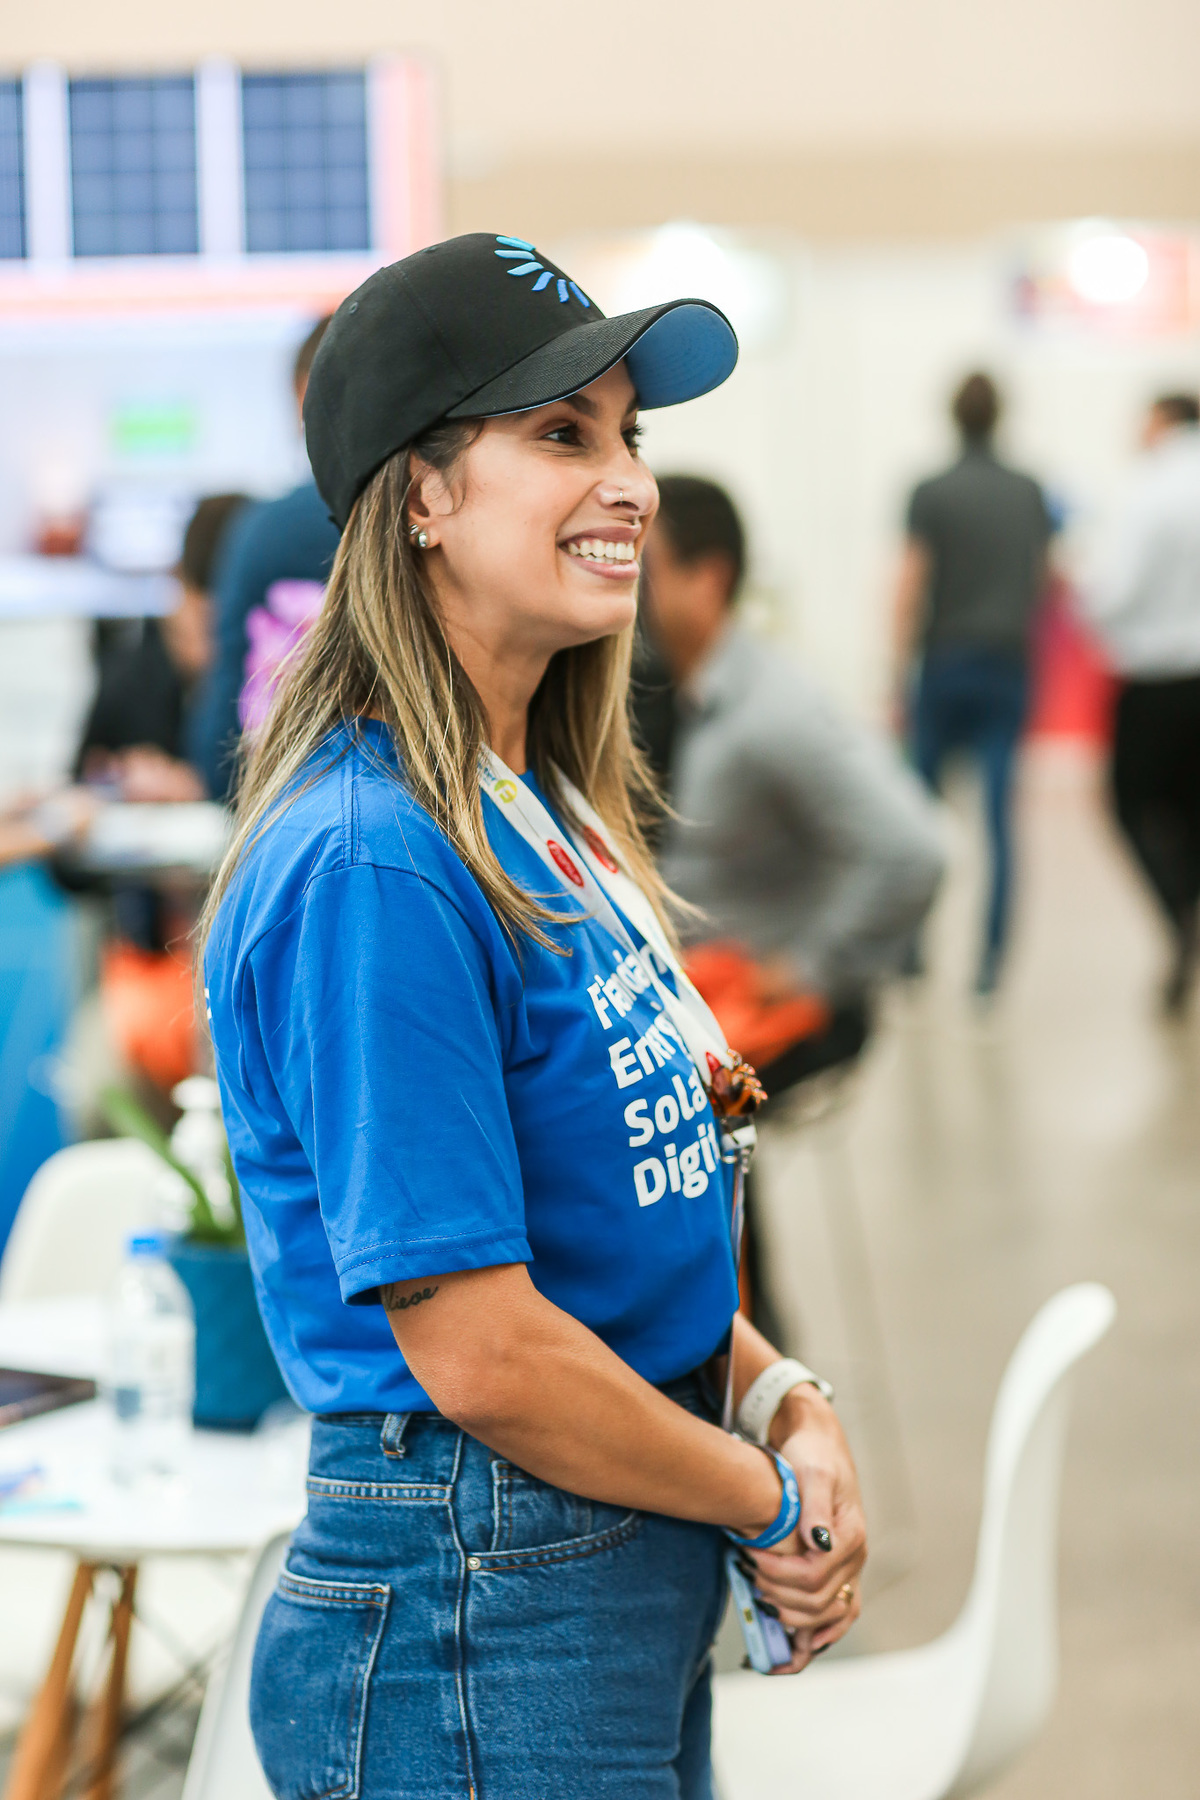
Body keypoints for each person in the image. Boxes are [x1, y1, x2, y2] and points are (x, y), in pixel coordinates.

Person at [201, 234, 866, 1800]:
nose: (628, 480)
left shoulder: (531, 811)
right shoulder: (378, 863)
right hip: (476, 1605)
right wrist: (762, 1497)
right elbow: (484, 1349)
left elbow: (613, 1212)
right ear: (420, 496)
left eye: (630, 434)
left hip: (592, 1567)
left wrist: (780, 1393)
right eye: (562, 433)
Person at [648, 474, 946, 1086]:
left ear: (707, 581)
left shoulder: (772, 710)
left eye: (643, 568)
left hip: (761, 1011)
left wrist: (808, 968)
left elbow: (917, 850)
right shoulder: (685, 690)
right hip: (698, 996)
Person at [895, 371, 1055, 995]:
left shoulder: (931, 491)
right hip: (1007, 664)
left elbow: (910, 583)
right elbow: (1043, 578)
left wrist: (895, 670)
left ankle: (911, 952)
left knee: (918, 818)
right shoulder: (1031, 492)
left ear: (953, 417)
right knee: (998, 820)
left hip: (944, 662)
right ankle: (988, 970)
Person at [189, 316, 341, 799]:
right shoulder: (445, 516)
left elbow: (221, 738)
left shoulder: (272, 530)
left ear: (305, 397)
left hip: (280, 804)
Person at [1084, 391, 1200, 1013]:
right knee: (1191, 807)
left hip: (1155, 681)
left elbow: (1114, 595)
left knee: (1130, 804)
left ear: (1161, 422)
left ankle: (1179, 909)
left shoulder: (1150, 490)